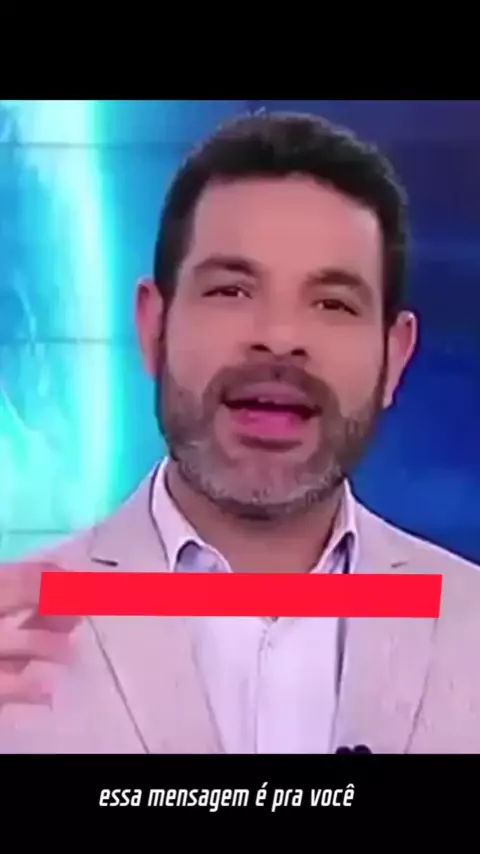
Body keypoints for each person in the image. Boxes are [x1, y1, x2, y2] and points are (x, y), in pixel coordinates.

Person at [0, 111, 479, 754]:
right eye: (230, 291)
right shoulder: (15, 629)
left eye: (333, 303)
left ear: (395, 356)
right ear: (152, 327)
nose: (279, 337)